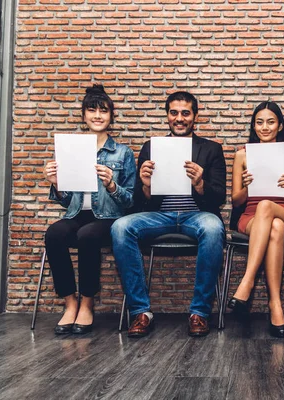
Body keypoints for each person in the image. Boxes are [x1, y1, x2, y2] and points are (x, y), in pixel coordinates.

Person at [111, 91, 226, 338]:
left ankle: (200, 313)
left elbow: (219, 198)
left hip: (197, 215)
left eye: (186, 113)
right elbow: (136, 202)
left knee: (214, 228)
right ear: (167, 116)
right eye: (174, 112)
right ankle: (141, 312)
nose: (179, 118)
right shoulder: (151, 147)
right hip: (159, 216)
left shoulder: (211, 149)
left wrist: (200, 184)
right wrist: (145, 185)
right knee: (120, 227)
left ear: (195, 116)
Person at [43, 84, 136, 335]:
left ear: (111, 116)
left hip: (108, 218)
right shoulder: (71, 149)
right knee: (54, 234)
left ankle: (87, 302)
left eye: (103, 111)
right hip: (76, 215)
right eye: (91, 110)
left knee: (88, 236)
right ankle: (69, 302)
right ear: (83, 115)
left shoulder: (123, 153)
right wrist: (56, 183)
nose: (97, 115)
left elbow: (130, 201)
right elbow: (65, 201)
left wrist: (112, 184)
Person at [227, 101, 284, 338]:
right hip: (250, 217)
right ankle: (275, 305)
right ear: (253, 125)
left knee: (269, 208)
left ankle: (246, 283)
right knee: (274, 228)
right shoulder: (242, 155)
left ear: (280, 126)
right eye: (259, 122)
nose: (265, 127)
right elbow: (236, 201)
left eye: (271, 122)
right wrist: (248, 187)